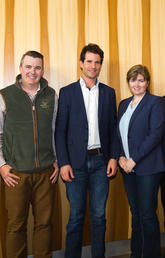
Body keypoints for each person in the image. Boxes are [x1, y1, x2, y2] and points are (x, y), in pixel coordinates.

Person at [55, 43, 119, 258]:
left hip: (101, 163)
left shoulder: (109, 93)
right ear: (81, 63)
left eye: (97, 62)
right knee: (75, 217)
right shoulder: (67, 92)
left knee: (99, 216)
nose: (93, 66)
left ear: (100, 65)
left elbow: (113, 129)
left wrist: (113, 158)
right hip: (75, 165)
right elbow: (60, 131)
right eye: (89, 61)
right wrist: (63, 162)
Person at [0, 51, 59, 258]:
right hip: (16, 174)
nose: (32, 72)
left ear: (42, 70)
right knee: (16, 225)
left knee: (44, 224)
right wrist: (2, 165)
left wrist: (57, 161)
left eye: (37, 67)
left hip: (46, 173)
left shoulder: (51, 95)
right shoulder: (5, 95)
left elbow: (54, 130)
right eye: (28, 67)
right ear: (20, 68)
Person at [117, 64, 165, 258]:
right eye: (133, 80)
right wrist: (120, 156)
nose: (136, 84)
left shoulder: (156, 103)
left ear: (147, 82)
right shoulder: (123, 104)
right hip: (127, 168)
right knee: (135, 212)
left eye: (141, 80)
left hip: (148, 168)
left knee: (147, 214)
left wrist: (133, 159)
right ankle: (136, 253)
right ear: (128, 82)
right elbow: (118, 134)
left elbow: (155, 135)